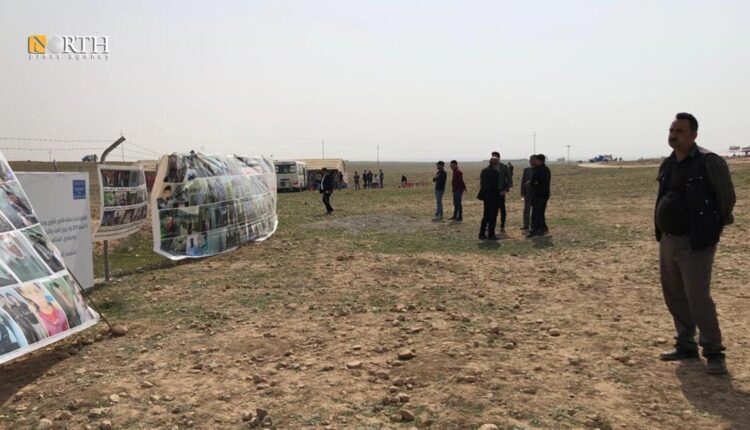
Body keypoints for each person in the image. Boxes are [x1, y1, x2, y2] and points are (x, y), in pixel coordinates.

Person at [655, 112, 735, 375]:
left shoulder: (708, 162)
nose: (673, 135)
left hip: (696, 244)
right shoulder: (668, 163)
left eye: (679, 131)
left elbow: (726, 199)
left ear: (693, 135)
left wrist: (708, 232)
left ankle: (713, 351)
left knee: (698, 298)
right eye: (671, 130)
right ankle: (685, 344)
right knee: (675, 295)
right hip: (669, 241)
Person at [527, 154, 551, 237]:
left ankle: (535, 230)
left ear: (539, 160)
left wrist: (530, 183)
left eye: (536, 160)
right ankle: (543, 228)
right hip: (544, 194)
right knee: (540, 212)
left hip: (539, 194)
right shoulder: (546, 169)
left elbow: (535, 182)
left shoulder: (539, 170)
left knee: (536, 212)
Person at [477, 157, 501, 240]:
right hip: (493, 197)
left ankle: (482, 234)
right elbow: (495, 186)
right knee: (493, 216)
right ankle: (491, 234)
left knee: (486, 216)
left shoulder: (484, 170)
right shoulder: (495, 172)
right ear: (496, 163)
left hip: (486, 197)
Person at [492, 151, 512, 232]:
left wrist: (505, 190)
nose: (494, 159)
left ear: (499, 158)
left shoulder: (504, 167)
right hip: (492, 192)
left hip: (501, 192)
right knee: (492, 210)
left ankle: (502, 225)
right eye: (492, 157)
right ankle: (491, 225)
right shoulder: (490, 167)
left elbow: (510, 181)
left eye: (495, 157)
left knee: (502, 209)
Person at [520, 156, 534, 230]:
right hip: (527, 194)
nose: (531, 162)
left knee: (535, 211)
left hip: (536, 195)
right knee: (526, 210)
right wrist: (522, 193)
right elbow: (523, 182)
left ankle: (534, 225)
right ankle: (526, 225)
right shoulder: (526, 170)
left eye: (532, 160)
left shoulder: (539, 170)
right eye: (530, 160)